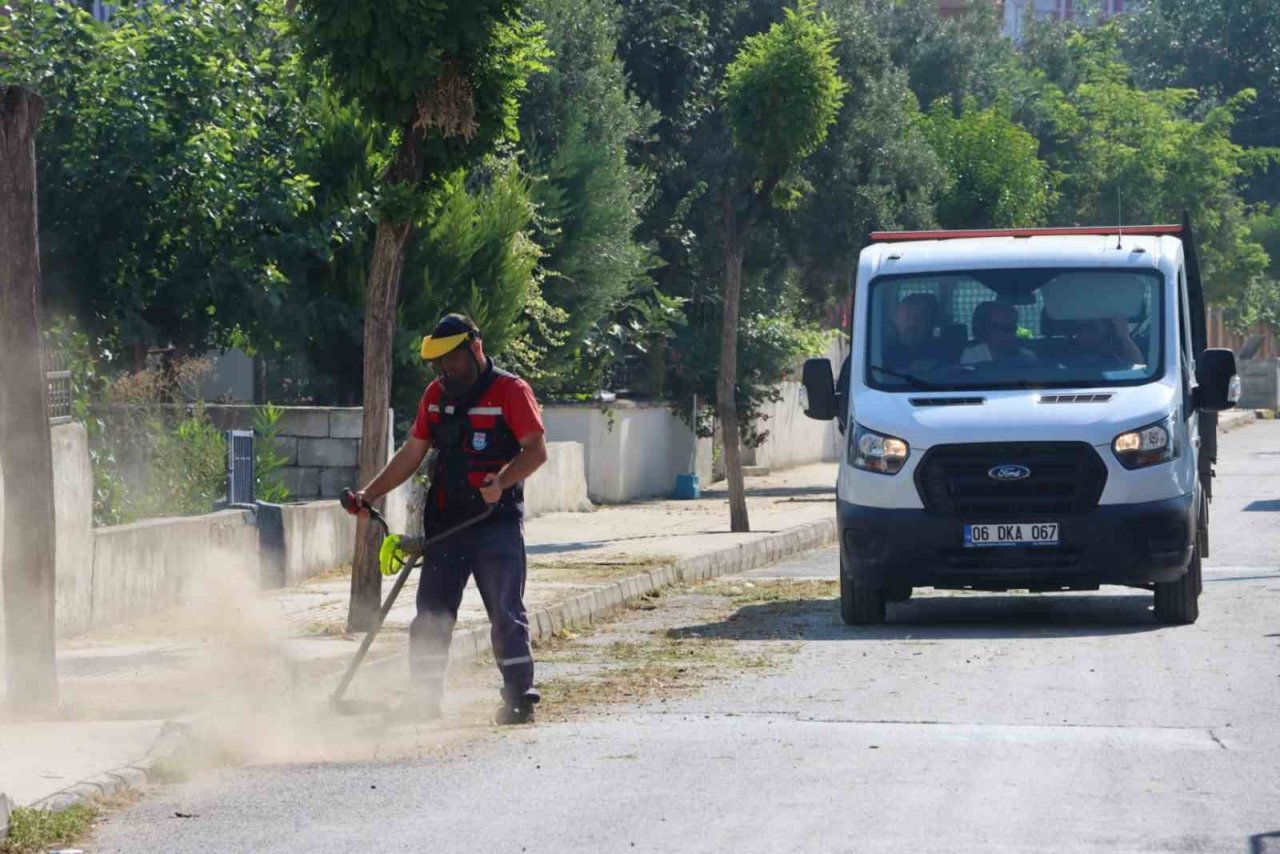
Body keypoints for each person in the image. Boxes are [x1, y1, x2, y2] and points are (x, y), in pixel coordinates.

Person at [345, 313, 549, 725]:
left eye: (451, 360)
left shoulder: (511, 391)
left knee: (505, 613)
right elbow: (412, 452)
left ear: (475, 348)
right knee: (431, 615)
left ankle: (518, 697)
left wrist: (503, 480)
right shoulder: (435, 396)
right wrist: (370, 494)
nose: (444, 370)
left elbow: (535, 451)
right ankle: (423, 699)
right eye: (438, 363)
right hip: (445, 527)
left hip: (496, 524)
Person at [961, 301, 1035, 364]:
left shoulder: (1027, 357)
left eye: (1010, 328)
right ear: (983, 330)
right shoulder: (973, 356)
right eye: (997, 327)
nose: (1004, 334)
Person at [1068, 315, 1145, 367]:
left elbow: (1138, 366)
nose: (1086, 333)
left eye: (1092, 328)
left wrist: (1124, 336)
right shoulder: (1063, 358)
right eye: (1081, 329)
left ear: (1106, 330)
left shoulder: (1117, 353)